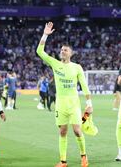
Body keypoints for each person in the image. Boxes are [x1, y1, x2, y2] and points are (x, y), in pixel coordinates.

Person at [36, 22, 92, 167]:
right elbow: (40, 52)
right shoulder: (55, 64)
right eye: (61, 50)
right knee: (62, 131)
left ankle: (84, 156)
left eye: (65, 50)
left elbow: (84, 85)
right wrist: (45, 35)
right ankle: (63, 161)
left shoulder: (77, 67)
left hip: (74, 103)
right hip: (60, 103)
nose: (62, 51)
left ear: (71, 53)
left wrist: (89, 103)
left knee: (77, 130)